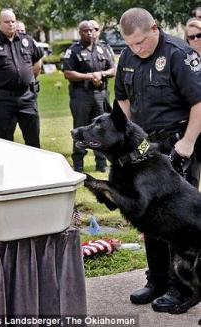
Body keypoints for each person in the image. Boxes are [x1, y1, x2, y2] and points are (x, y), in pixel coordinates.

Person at [115, 7, 201, 313]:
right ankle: (158, 280)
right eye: (130, 44)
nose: (136, 49)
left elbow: (198, 102)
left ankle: (184, 287)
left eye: (140, 42)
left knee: (179, 220)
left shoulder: (179, 53)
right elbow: (122, 100)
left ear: (154, 28)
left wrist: (187, 143)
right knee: (149, 214)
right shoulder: (127, 57)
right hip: (146, 146)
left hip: (178, 143)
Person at [0, 8, 42, 148]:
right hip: (3, 99)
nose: (11, 24)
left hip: (27, 98)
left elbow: (37, 62)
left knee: (33, 140)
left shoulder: (27, 40)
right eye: (7, 21)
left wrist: (28, 78)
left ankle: (33, 169)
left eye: (13, 21)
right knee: (1, 142)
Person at [63, 20, 115, 173]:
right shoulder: (73, 50)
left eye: (92, 30)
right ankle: (78, 164)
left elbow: (113, 69)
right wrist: (89, 76)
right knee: (80, 128)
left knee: (102, 129)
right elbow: (68, 73)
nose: (90, 33)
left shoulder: (104, 48)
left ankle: (101, 164)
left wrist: (101, 74)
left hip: (101, 95)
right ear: (80, 32)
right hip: (81, 96)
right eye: (86, 30)